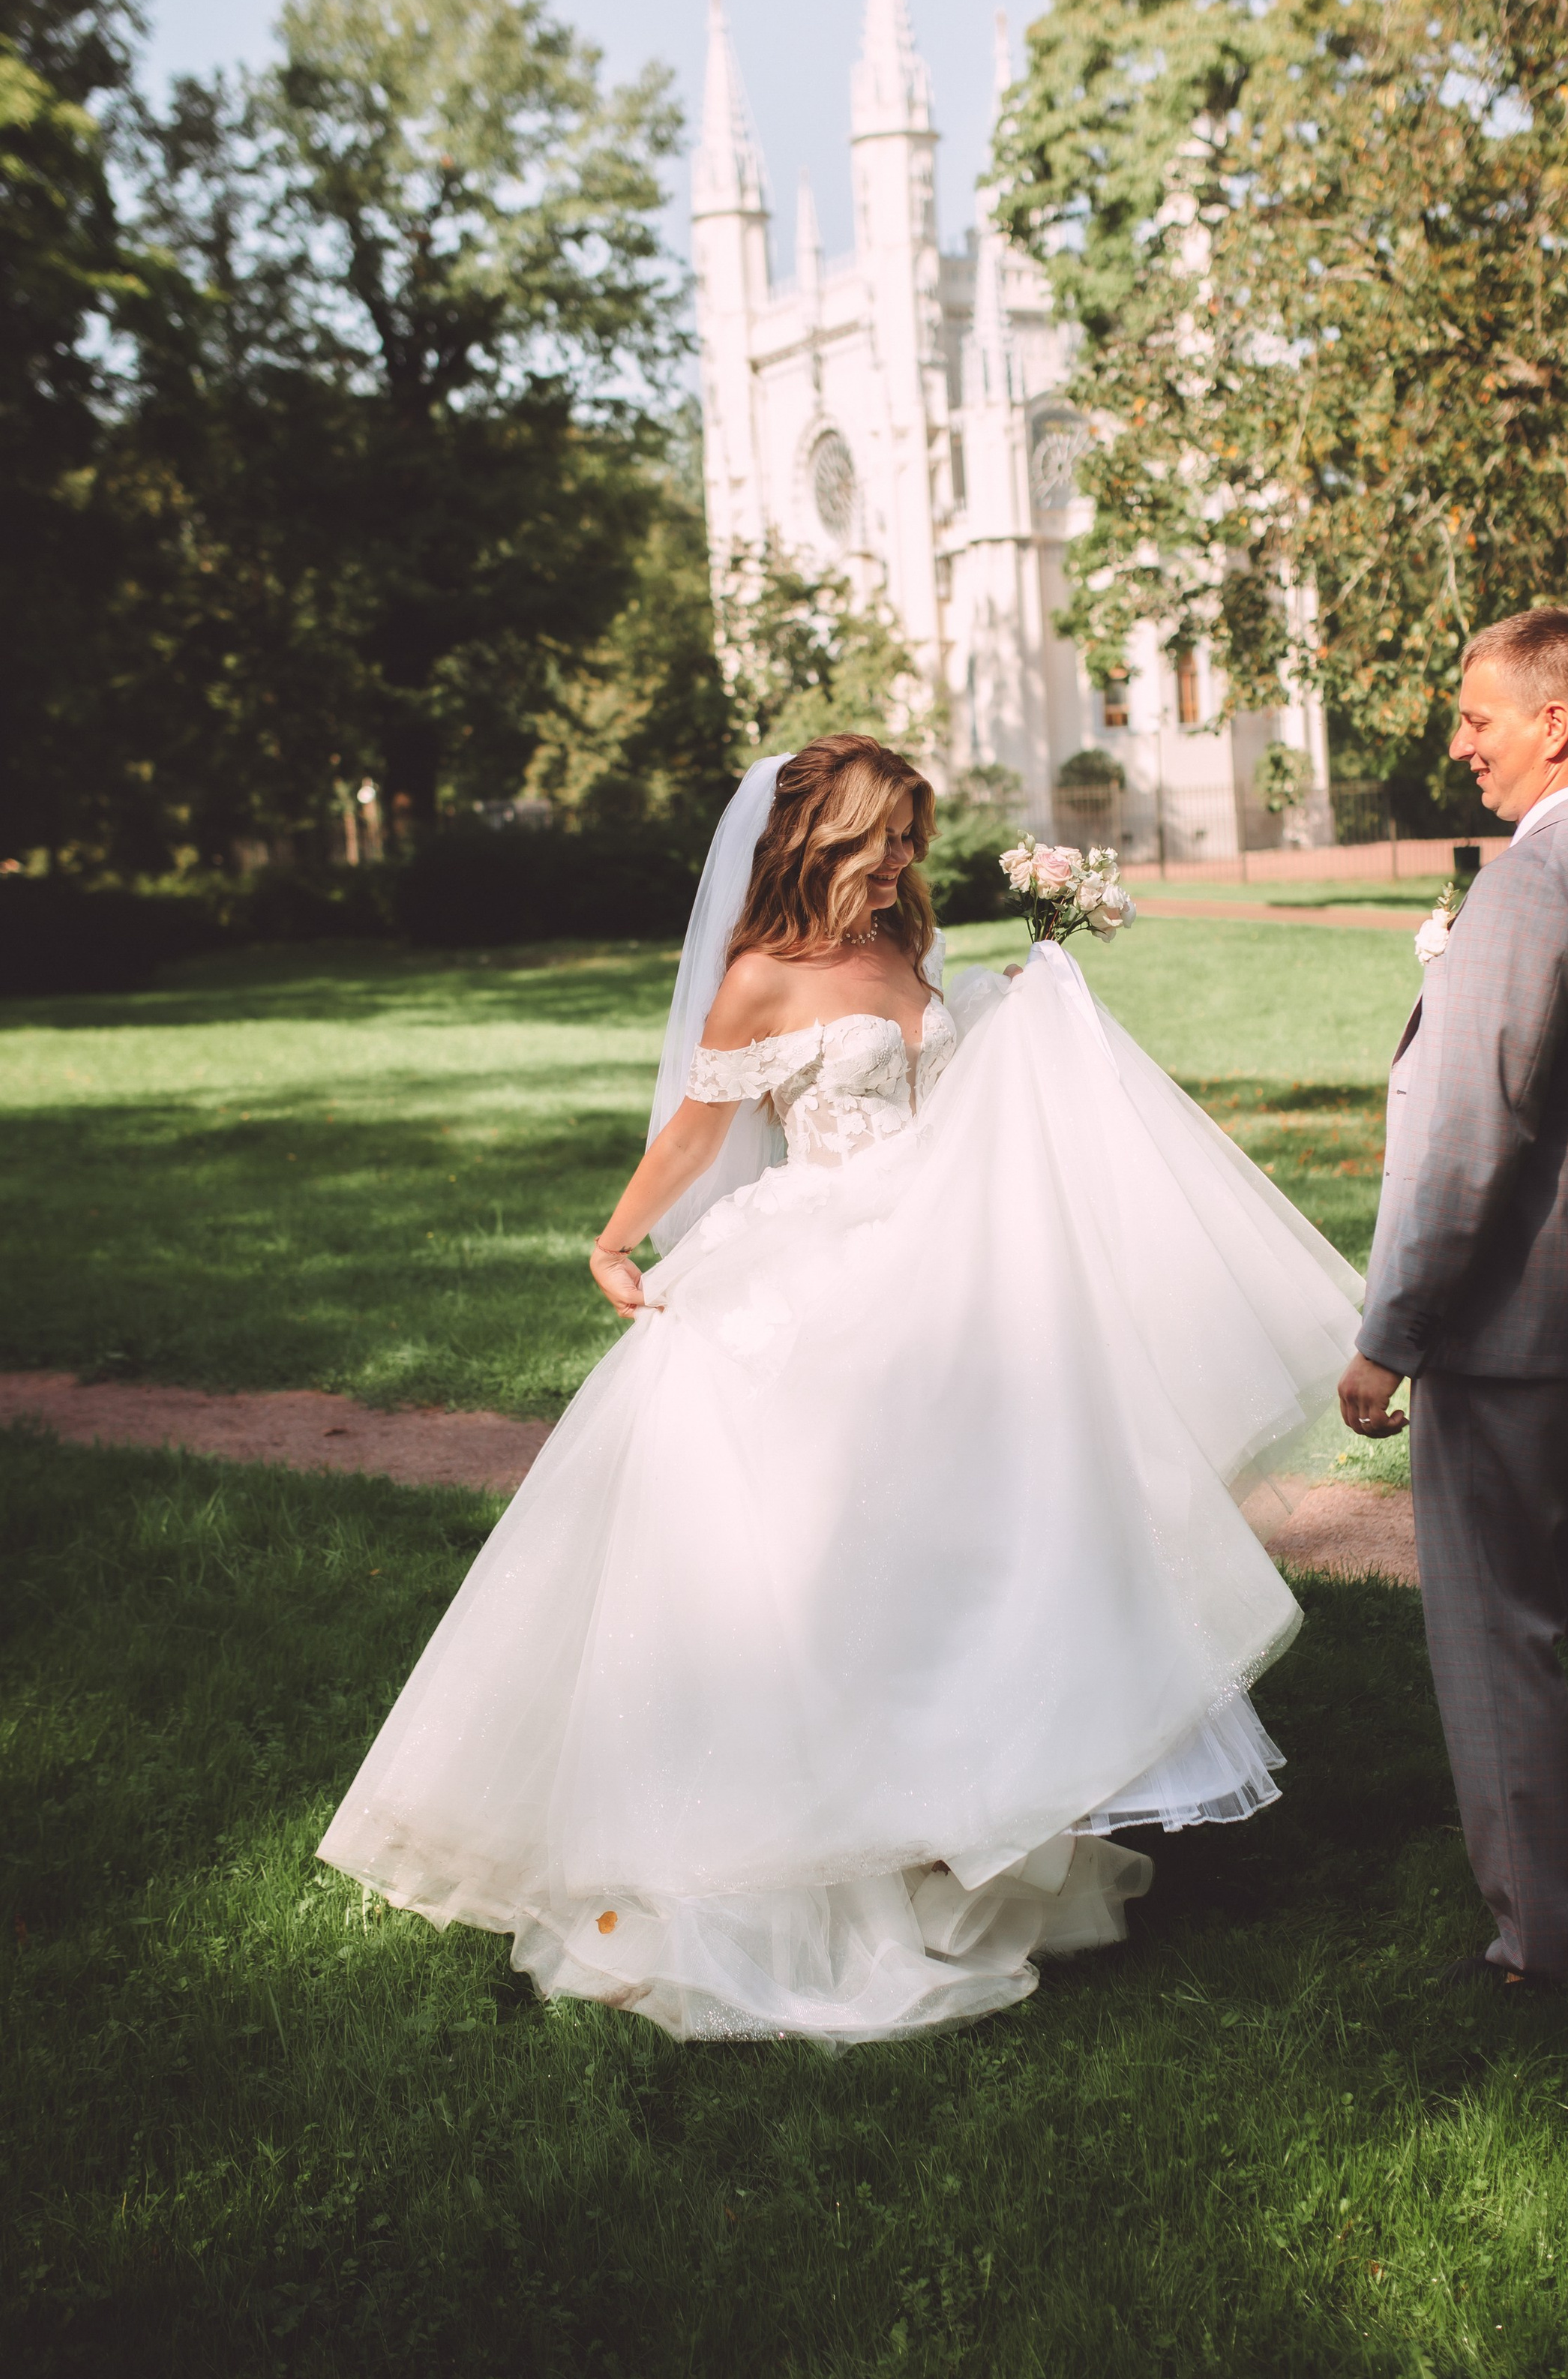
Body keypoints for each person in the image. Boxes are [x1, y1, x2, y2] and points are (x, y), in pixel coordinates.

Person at [322, 734, 1363, 2043]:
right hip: (815, 1273)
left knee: (978, 1547)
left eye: (914, 846)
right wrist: (613, 1237)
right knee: (818, 1556)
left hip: (944, 1273)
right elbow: (698, 1130)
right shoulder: (762, 977)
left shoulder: (905, 950)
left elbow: (960, 1090)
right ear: (823, 843)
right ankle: (798, 1862)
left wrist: (1030, 998)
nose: (903, 868)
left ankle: (961, 1813)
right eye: (886, 846)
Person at [1338, 608, 1568, 1991]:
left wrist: (1388, 1335)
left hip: (1512, 1328)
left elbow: (1466, 1141)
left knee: (1497, 1636)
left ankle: (1545, 1939)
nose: (1459, 740)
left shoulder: (1531, 884)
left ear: (1555, 723)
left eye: (1477, 716)